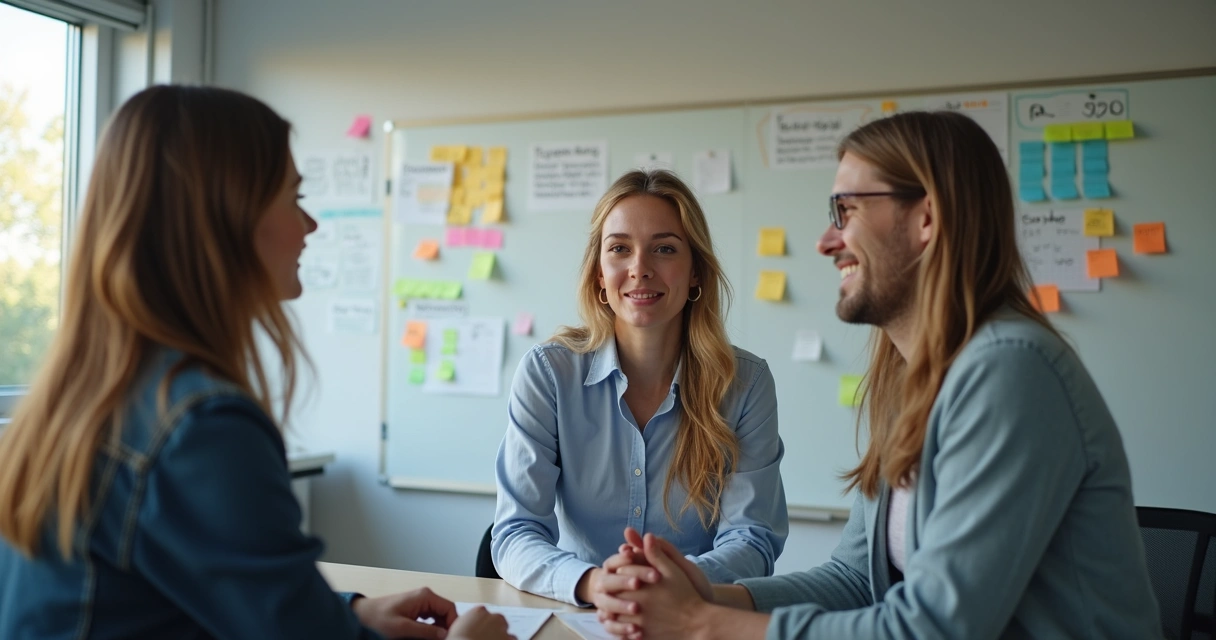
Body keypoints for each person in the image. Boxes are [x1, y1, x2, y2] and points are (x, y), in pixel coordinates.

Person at [591, 111, 1162, 639]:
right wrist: (716, 595)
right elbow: (855, 581)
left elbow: (932, 630)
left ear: (927, 219)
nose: (826, 241)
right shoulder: (912, 380)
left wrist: (701, 623)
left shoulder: (1011, 371)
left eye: (848, 211)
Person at [0, 85, 511, 640]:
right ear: (223, 217)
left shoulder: (85, 396)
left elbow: (183, 601)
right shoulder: (201, 426)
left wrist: (351, 614)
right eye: (294, 197)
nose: (310, 226)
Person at [492, 169, 788, 606]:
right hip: (579, 615)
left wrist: (668, 582)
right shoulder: (549, 374)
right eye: (619, 249)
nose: (640, 269)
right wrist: (593, 583)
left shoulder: (745, 384)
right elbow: (516, 532)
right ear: (599, 273)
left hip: (691, 615)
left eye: (664, 249)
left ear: (695, 273)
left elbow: (753, 538)